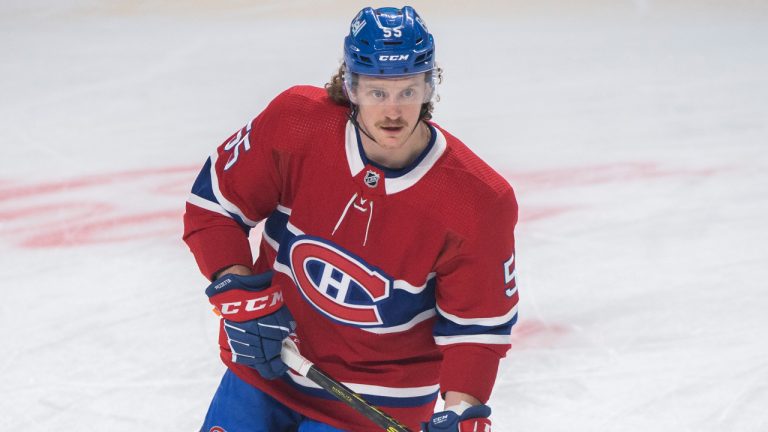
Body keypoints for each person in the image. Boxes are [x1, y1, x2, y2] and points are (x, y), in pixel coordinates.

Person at [183, 5, 519, 432]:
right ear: (351, 85)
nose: (393, 111)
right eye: (378, 92)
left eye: (408, 91)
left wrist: (461, 410)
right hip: (269, 368)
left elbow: (477, 329)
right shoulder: (296, 124)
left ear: (430, 87)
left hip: (375, 405)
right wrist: (242, 301)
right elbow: (214, 206)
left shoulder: (478, 201)